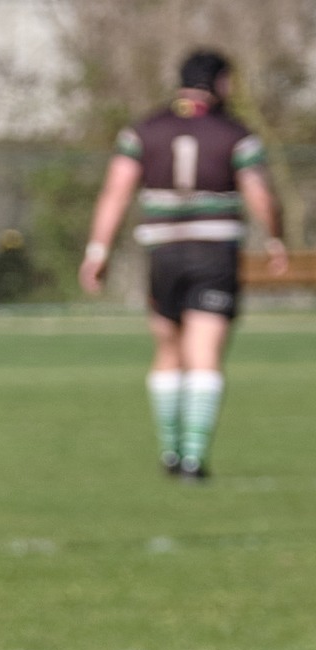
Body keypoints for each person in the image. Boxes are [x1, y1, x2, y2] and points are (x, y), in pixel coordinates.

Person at [80, 48, 289, 480]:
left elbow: (115, 192)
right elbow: (260, 195)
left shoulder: (143, 130)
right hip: (213, 253)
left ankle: (170, 453)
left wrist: (97, 251)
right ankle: (193, 458)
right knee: (204, 354)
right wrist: (275, 237)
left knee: (168, 350)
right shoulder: (234, 133)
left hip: (163, 253)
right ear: (218, 82)